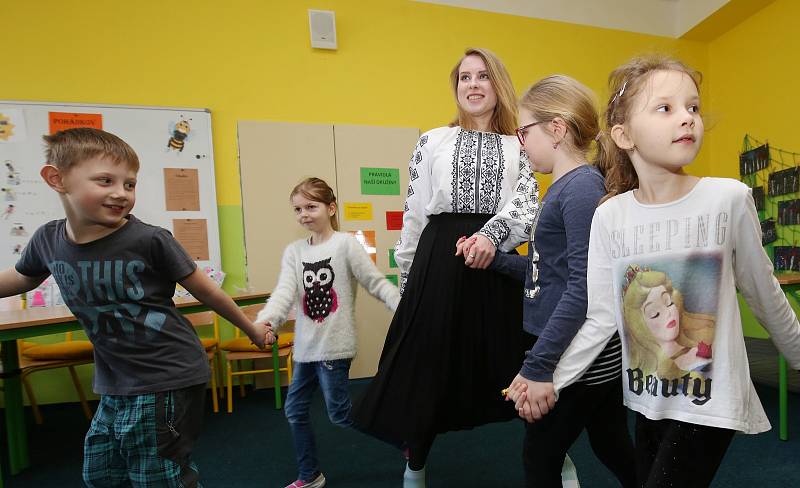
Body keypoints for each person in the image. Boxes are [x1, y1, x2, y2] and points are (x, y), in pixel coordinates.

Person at [513, 54, 800, 487]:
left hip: (709, 403)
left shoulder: (728, 199)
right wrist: (547, 375)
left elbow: (765, 295)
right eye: (665, 108)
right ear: (623, 134)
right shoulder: (609, 215)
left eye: (693, 107)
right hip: (647, 398)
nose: (686, 118)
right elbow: (602, 317)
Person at [0, 127, 271, 487]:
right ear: (57, 179)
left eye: (129, 184)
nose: (121, 193)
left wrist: (251, 328)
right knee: (101, 473)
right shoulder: (49, 240)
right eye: (105, 180)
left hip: (167, 374)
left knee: (157, 475)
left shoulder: (149, 239)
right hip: (116, 380)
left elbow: (209, 293)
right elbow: (22, 278)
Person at [352, 47, 539, 488]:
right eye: (464, 77)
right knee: (426, 365)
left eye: (482, 76)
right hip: (439, 260)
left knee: (519, 362)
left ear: (498, 84)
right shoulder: (432, 140)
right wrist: (409, 278)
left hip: (496, 263)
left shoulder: (521, 143)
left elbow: (528, 203)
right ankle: (415, 462)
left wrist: (491, 240)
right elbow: (415, 212)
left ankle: (554, 452)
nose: (472, 85)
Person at [490, 75, 636, 487]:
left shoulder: (581, 191)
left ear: (556, 129)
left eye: (524, 131)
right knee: (611, 444)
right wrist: (498, 262)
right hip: (573, 350)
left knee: (540, 456)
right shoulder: (562, 189)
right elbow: (546, 272)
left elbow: (582, 288)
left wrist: (538, 367)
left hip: (576, 356)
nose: (521, 142)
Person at [254, 177, 400, 488]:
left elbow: (374, 281)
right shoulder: (294, 252)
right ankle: (310, 476)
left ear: (330, 208)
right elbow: (284, 293)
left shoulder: (345, 244)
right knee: (295, 409)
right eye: (297, 209)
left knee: (340, 414)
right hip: (306, 349)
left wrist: (401, 306)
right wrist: (268, 321)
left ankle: (403, 439)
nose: (304, 214)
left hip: (335, 346)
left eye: (311, 206)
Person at [622, 266, 715, 378]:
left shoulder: (700, 350)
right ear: (639, 326)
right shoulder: (646, 375)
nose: (668, 313)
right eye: (655, 313)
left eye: (669, 302)